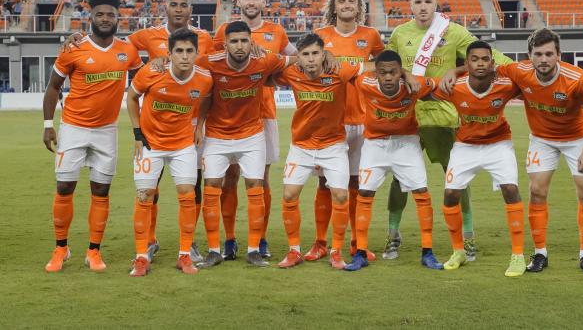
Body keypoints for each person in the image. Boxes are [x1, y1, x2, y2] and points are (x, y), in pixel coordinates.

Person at [63, 0, 214, 264]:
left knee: (193, 186)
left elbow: (215, 70)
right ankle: (151, 241)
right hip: (156, 122)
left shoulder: (205, 38)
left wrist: (200, 123)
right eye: (174, 5)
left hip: (189, 123)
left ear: (190, 10)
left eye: (184, 5)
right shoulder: (147, 35)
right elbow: (113, 43)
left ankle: (189, 245)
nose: (179, 9)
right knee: (150, 185)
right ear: (166, 8)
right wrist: (80, 38)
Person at [383, 0, 512, 261]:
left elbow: (486, 57)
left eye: (428, 2)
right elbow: (388, 65)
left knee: (456, 179)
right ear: (410, 4)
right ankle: (393, 235)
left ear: (435, 3)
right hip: (407, 117)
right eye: (417, 2)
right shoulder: (399, 33)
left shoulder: (452, 31)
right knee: (399, 179)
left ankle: (468, 237)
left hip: (444, 116)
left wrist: (459, 68)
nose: (423, 7)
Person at [272, 33, 418, 269]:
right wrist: (288, 60)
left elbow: (376, 65)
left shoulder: (339, 70)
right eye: (305, 55)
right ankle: (293, 250)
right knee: (289, 195)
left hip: (333, 146)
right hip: (301, 146)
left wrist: (406, 73)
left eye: (315, 54)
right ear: (298, 57)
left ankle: (336, 251)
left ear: (323, 55)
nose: (310, 60)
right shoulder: (291, 73)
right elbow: (267, 68)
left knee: (341, 195)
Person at [42, 0, 143, 272]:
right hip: (73, 128)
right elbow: (53, 87)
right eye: (100, 14)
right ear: (91, 18)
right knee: (64, 187)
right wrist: (48, 125)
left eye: (110, 14)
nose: (105, 18)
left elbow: (145, 80)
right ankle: (61, 248)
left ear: (117, 18)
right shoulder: (73, 49)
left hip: (106, 131)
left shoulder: (128, 50)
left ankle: (93, 252)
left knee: (101, 190)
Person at [494, 28, 583, 274]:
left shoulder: (577, 78)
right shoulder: (519, 71)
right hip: (542, 139)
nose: (544, 59)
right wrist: (453, 73)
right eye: (538, 54)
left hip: (577, 139)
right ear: (529, 55)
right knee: (537, 190)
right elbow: (488, 65)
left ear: (558, 55)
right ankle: (540, 253)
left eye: (549, 54)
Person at [197, 21, 296, 268]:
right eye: (234, 41)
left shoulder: (264, 60)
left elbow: (294, 59)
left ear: (252, 42)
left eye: (244, 41)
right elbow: (182, 65)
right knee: (212, 188)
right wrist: (159, 62)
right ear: (225, 43)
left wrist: (323, 55)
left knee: (256, 186)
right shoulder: (210, 62)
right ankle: (214, 250)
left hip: (252, 135)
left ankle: (253, 249)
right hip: (217, 136)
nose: (239, 46)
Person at [304, 0, 384, 263]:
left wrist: (360, 69)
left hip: (362, 121)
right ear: (334, 7)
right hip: (330, 121)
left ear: (359, 7)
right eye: (342, 1)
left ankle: (355, 242)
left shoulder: (370, 36)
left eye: (352, 1)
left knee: (356, 183)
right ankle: (320, 242)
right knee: (325, 183)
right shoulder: (321, 37)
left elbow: (382, 65)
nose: (347, 5)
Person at [433, 40, 526, 277]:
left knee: (511, 190)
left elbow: (531, 85)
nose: (480, 63)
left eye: (485, 59)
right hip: (466, 146)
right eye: (475, 59)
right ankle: (458, 251)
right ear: (467, 63)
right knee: (450, 194)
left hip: (498, 144)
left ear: (492, 63)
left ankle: (517, 255)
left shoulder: (506, 84)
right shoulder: (454, 86)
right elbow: (422, 90)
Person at [345, 50, 442, 271]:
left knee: (421, 193)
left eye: (393, 72)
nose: (388, 77)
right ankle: (360, 253)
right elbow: (349, 71)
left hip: (406, 143)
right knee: (365, 193)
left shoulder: (413, 86)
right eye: (383, 73)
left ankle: (427, 252)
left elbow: (441, 83)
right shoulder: (364, 82)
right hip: (374, 145)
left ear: (400, 73)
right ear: (375, 73)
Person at [127, 28, 213, 276]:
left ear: (196, 53)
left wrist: (201, 123)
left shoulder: (204, 78)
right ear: (170, 53)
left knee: (187, 196)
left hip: (182, 146)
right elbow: (131, 97)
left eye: (189, 51)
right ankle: (141, 256)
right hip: (150, 145)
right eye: (179, 51)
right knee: (144, 196)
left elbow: (206, 98)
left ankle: (184, 255)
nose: (185, 56)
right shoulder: (152, 72)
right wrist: (137, 133)